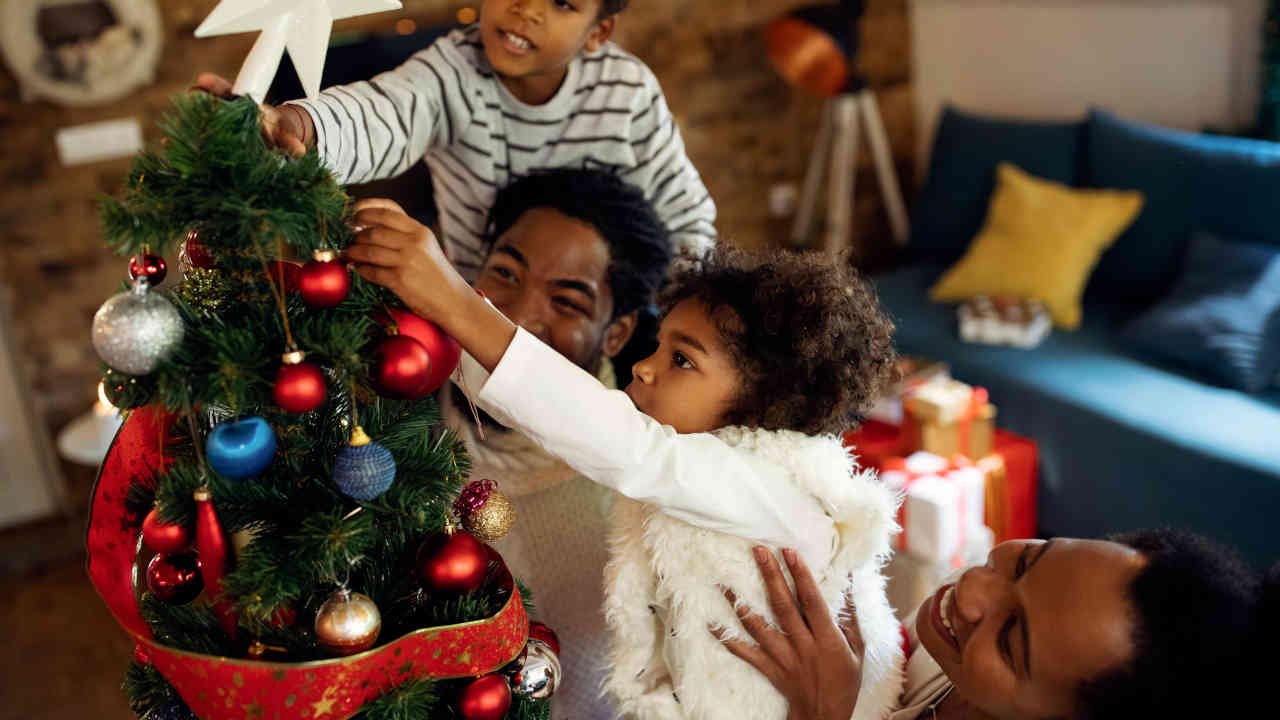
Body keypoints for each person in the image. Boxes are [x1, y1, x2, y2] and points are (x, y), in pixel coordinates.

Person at [344, 206, 906, 720]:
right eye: (659, 347)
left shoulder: (774, 487)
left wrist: (454, 303)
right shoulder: (717, 479)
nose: (645, 369)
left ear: (765, 404)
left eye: (681, 359)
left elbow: (621, 443)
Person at [198, 0, 716, 281]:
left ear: (598, 32)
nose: (527, 9)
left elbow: (685, 214)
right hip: (478, 313)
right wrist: (302, 127)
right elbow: (386, 112)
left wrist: (674, 312)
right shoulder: (449, 71)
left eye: (561, 3)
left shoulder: (628, 91)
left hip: (595, 319)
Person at [441, 168, 672, 718]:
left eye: (567, 303)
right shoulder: (394, 425)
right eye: (504, 272)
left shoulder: (633, 502)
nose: (518, 318)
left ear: (615, 333)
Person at [719, 530, 1279, 719]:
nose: (970, 590)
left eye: (1012, 637)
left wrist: (823, 714)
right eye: (1027, 560)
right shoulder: (951, 655)